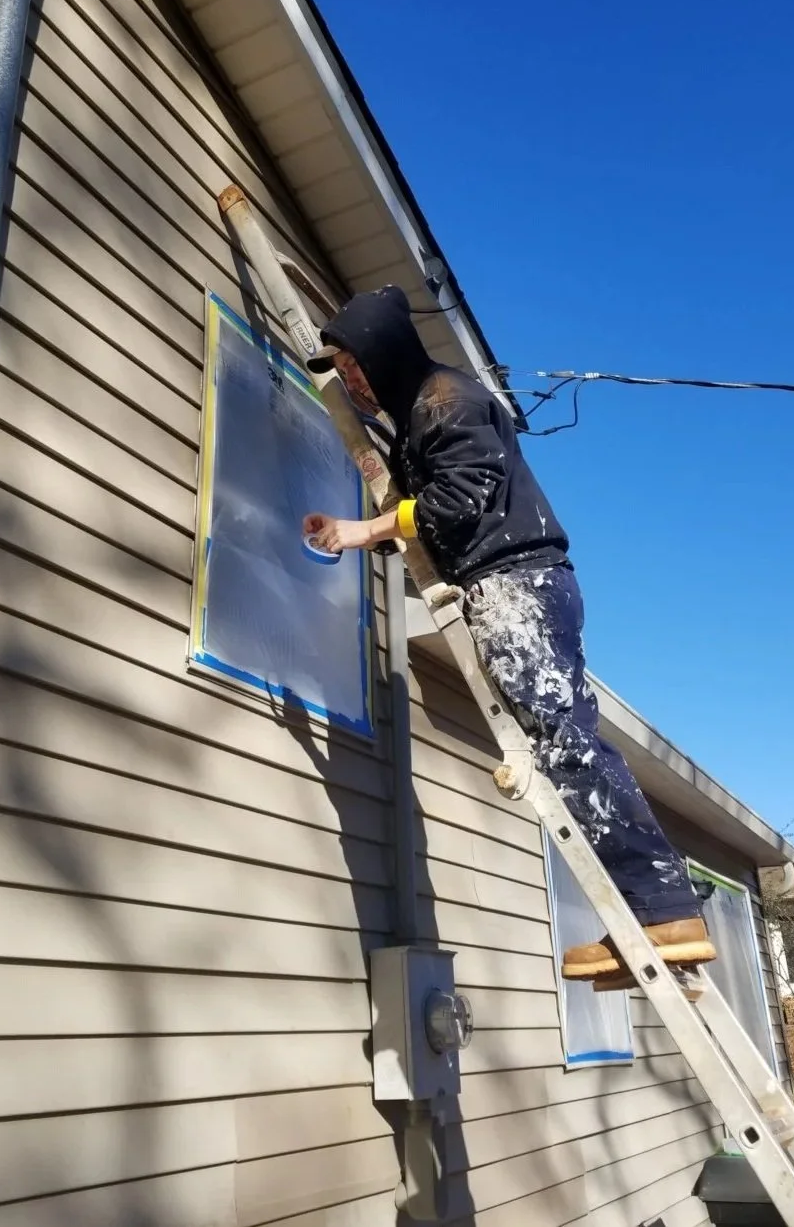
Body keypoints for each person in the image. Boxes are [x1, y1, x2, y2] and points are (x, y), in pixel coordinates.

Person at [303, 285, 715, 981]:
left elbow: (456, 500)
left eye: (353, 368)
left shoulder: (445, 401)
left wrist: (362, 529)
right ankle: (647, 922)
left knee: (565, 743)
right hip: (521, 581)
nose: (351, 383)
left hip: (518, 583)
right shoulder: (423, 411)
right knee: (564, 744)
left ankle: (663, 910)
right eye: (341, 375)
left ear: (383, 354)